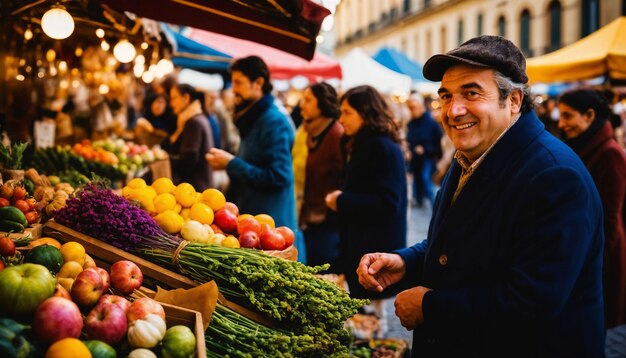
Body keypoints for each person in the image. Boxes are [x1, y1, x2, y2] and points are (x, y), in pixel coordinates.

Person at [356, 36, 605, 356]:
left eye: (471, 93)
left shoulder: (555, 175)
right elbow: (457, 244)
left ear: (513, 100)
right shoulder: (473, 153)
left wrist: (430, 306)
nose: (453, 110)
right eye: (446, 96)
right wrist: (406, 261)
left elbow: (534, 299)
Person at [205, 56, 302, 256]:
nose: (233, 89)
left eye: (239, 83)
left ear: (258, 83)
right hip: (253, 225)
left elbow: (279, 176)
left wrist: (231, 163)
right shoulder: (255, 118)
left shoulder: (274, 122)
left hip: (271, 231)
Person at [325, 85, 407, 299]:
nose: (341, 119)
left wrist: (342, 201)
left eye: (347, 113)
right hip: (359, 243)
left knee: (369, 318)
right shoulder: (360, 142)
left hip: (375, 248)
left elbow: (388, 202)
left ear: (366, 113)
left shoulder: (382, 146)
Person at [558, 88, 626, 329]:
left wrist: (596, 267)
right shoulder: (583, 146)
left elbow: (610, 218)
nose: (562, 123)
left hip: (599, 258)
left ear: (588, 115)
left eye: (568, 116)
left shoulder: (610, 153)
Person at [299, 82, 344, 270]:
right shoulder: (310, 133)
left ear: (323, 104)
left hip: (328, 225)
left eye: (308, 100)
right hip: (311, 219)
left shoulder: (336, 136)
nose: (302, 104)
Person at [167, 83, 214, 190]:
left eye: (174, 98)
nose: (171, 103)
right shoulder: (195, 118)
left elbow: (188, 160)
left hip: (195, 189)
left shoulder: (194, 122)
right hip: (197, 186)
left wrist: (164, 158)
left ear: (186, 98)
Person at [405, 93, 442, 207]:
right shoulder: (411, 123)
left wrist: (425, 149)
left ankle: (437, 205)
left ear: (421, 106)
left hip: (428, 158)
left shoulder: (431, 123)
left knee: (426, 180)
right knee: (417, 180)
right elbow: (410, 139)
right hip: (415, 159)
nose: (412, 110)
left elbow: (438, 142)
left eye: (413, 107)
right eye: (410, 107)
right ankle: (419, 200)